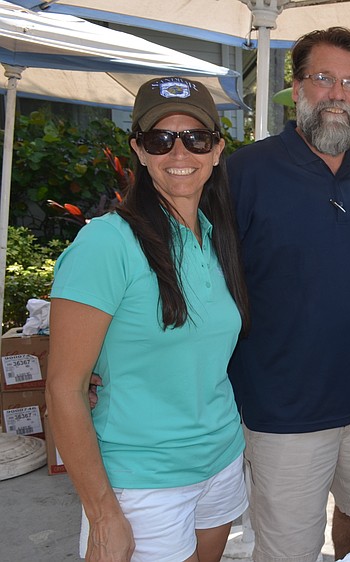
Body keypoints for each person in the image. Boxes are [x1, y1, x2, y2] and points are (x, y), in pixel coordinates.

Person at [47, 77, 251, 561]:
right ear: (139, 150)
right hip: (142, 480)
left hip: (221, 458)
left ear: (217, 150)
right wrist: (103, 513)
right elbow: (63, 389)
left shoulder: (215, 236)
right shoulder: (106, 243)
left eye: (195, 138)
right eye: (161, 139)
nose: (180, 151)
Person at [226, 27, 350, 562]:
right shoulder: (244, 172)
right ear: (298, 88)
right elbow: (200, 271)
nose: (337, 94)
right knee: (289, 550)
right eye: (323, 78)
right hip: (283, 410)